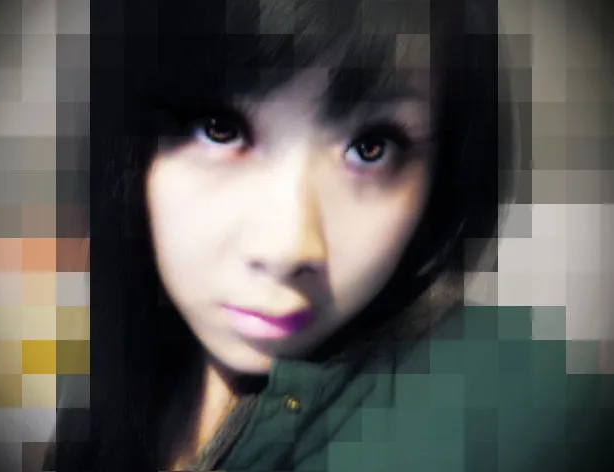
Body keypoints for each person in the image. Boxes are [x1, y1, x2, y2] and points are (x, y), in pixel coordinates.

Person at [47, 0, 604, 471]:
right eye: (220, 128)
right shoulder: (113, 367)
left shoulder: (520, 408)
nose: (288, 247)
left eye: (370, 149)